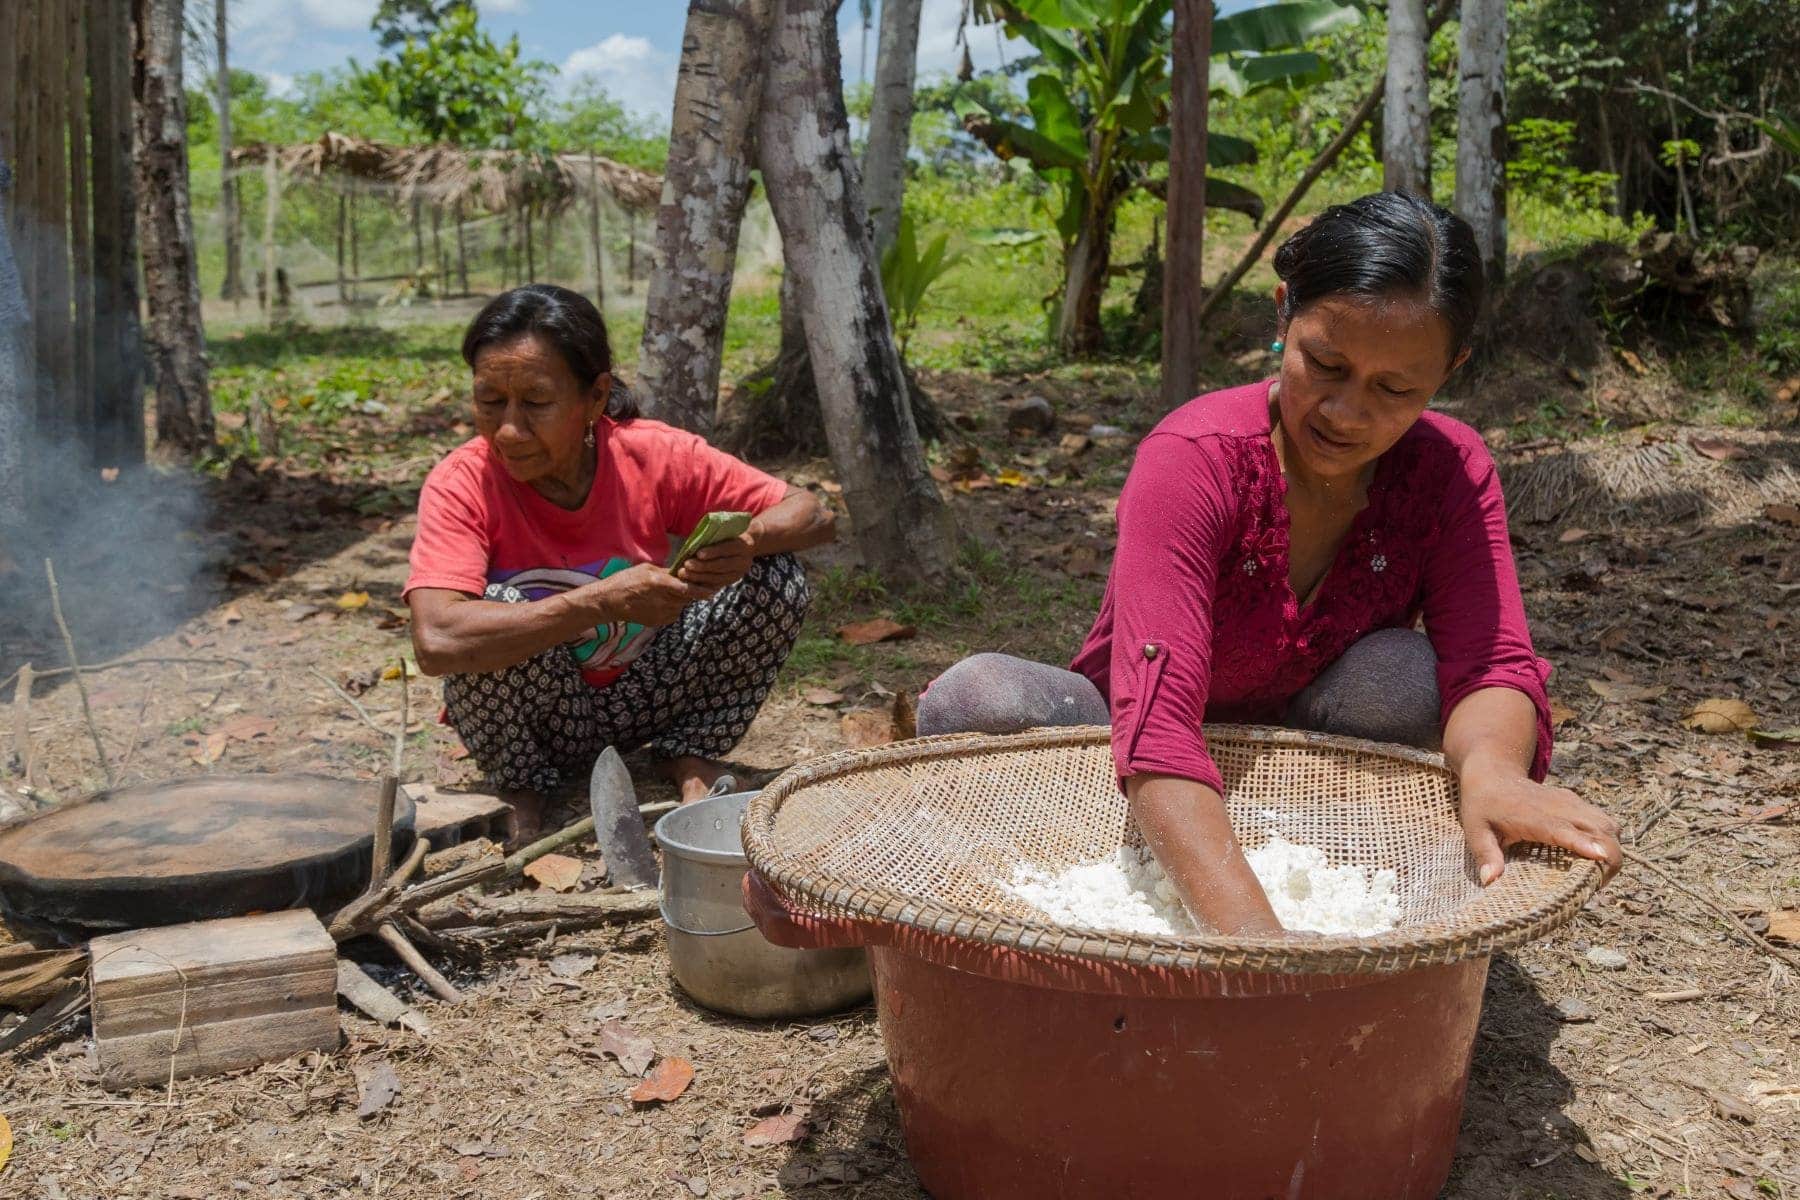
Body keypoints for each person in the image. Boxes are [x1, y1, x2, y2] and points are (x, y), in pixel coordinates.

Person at [918, 192, 1621, 936]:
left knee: (1407, 675)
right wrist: (1265, 952)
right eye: (1325, 364)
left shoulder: (1449, 472)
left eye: (1394, 389)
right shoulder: (1194, 461)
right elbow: (1157, 725)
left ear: (1451, 368)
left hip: (1314, 778)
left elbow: (1491, 666)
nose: (1347, 413)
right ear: (1284, 313)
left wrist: (1495, 774)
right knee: (979, 698)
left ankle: (1373, 867)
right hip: (1125, 770)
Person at [405, 284, 836, 836]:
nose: (509, 430)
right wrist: (598, 601)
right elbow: (437, 640)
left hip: (643, 692)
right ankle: (522, 785)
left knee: (774, 575)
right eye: (490, 401)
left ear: (597, 396)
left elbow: (813, 515)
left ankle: (691, 752)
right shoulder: (462, 482)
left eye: (536, 403)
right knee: (492, 611)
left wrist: (746, 542)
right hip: (534, 714)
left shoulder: (653, 455)